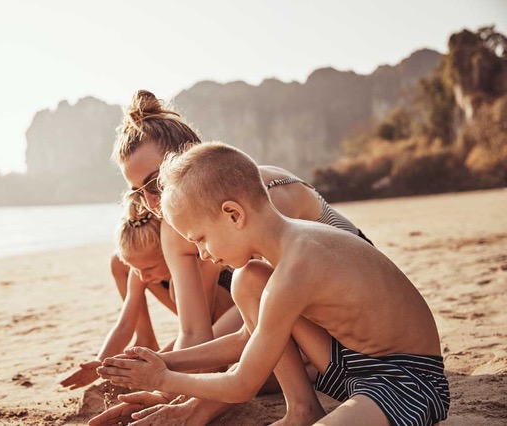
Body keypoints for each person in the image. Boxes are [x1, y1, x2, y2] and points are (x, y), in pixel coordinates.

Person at [98, 141, 450, 426]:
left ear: (233, 215)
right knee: (247, 282)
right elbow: (244, 341)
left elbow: (243, 384)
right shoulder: (278, 257)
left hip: (406, 378)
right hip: (348, 360)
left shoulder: (299, 265)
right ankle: (302, 411)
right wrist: (163, 360)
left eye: (201, 238)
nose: (203, 255)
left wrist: (162, 380)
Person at [90, 90, 375, 425]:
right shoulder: (173, 228)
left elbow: (265, 324)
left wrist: (191, 408)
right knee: (247, 338)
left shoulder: (257, 196)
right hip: (302, 322)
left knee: (252, 316)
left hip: (360, 312)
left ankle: (302, 409)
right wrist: (164, 393)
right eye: (138, 193)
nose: (151, 202)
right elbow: (196, 333)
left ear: (188, 154)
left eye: (154, 183)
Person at [60, 194, 236, 390]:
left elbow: (199, 333)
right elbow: (125, 324)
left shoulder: (202, 264)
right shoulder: (143, 271)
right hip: (198, 325)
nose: (143, 277)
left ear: (169, 251)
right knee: (118, 262)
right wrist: (101, 361)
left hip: (224, 321)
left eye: (150, 268)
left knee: (175, 294)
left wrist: (155, 362)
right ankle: (146, 339)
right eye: (138, 269)